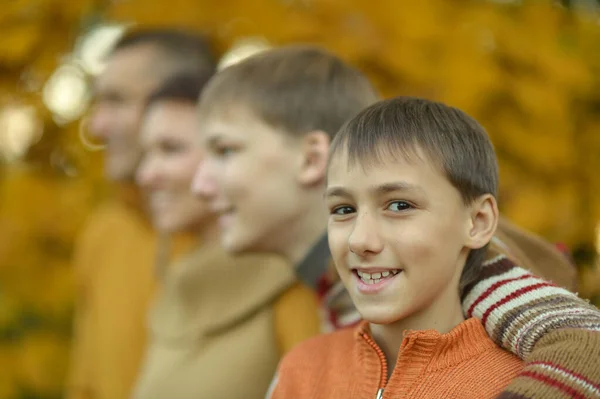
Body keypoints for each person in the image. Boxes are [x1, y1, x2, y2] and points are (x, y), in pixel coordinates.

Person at [192, 45, 600, 398]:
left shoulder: (486, 275)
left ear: (312, 157)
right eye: (343, 209)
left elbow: (586, 344)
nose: (200, 184)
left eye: (225, 150)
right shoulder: (323, 322)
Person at [271, 96, 525, 398]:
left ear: (478, 222)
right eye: (342, 209)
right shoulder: (303, 371)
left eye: (399, 205)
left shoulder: (523, 385)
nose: (359, 240)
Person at [131, 74, 320, 399]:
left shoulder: (294, 290)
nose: (145, 175)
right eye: (146, 153)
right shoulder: (173, 286)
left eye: (170, 149)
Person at [66, 29, 216, 399]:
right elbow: (85, 384)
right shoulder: (105, 233)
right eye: (98, 102)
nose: (96, 127)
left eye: (116, 102)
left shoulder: (256, 243)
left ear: (178, 102)